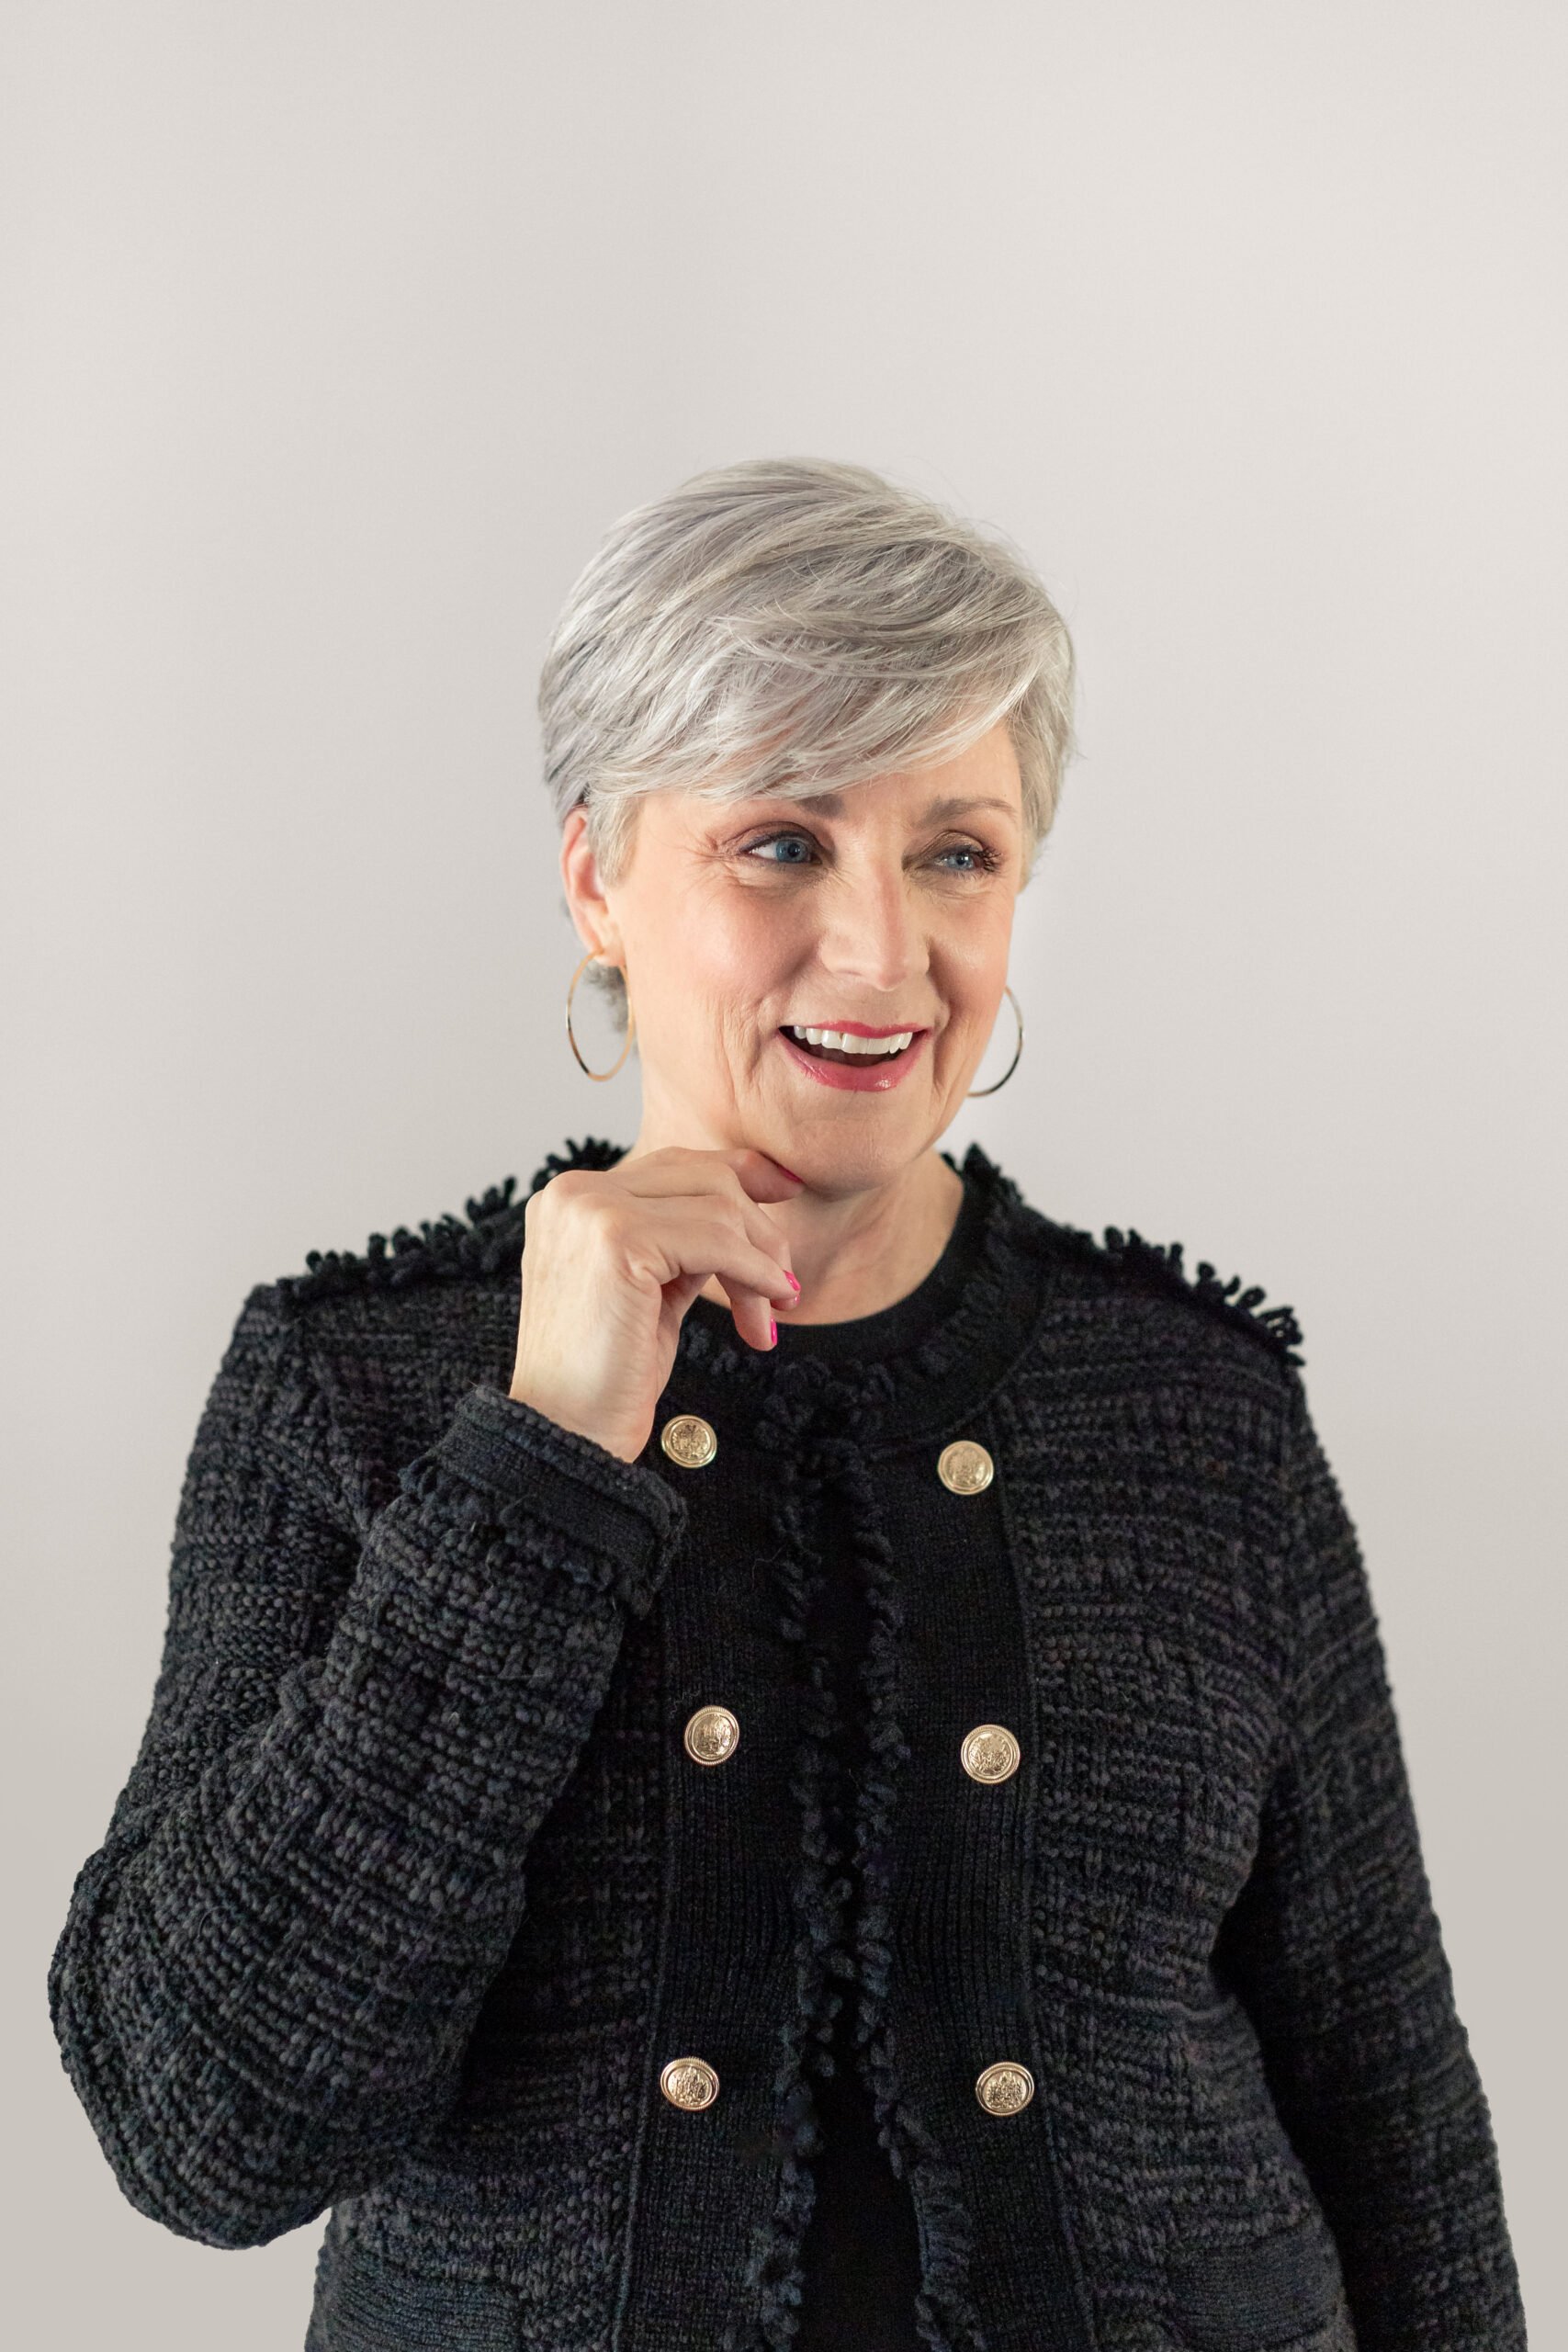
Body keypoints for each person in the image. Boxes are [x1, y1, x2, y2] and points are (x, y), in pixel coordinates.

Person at [49, 458, 1527, 2352]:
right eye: (779, 842)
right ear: (598, 875)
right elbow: (207, 2129)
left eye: (956, 852)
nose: (881, 951)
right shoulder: (357, 1386)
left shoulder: (1194, 1404)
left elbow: (1387, 2094)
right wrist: (539, 1457)